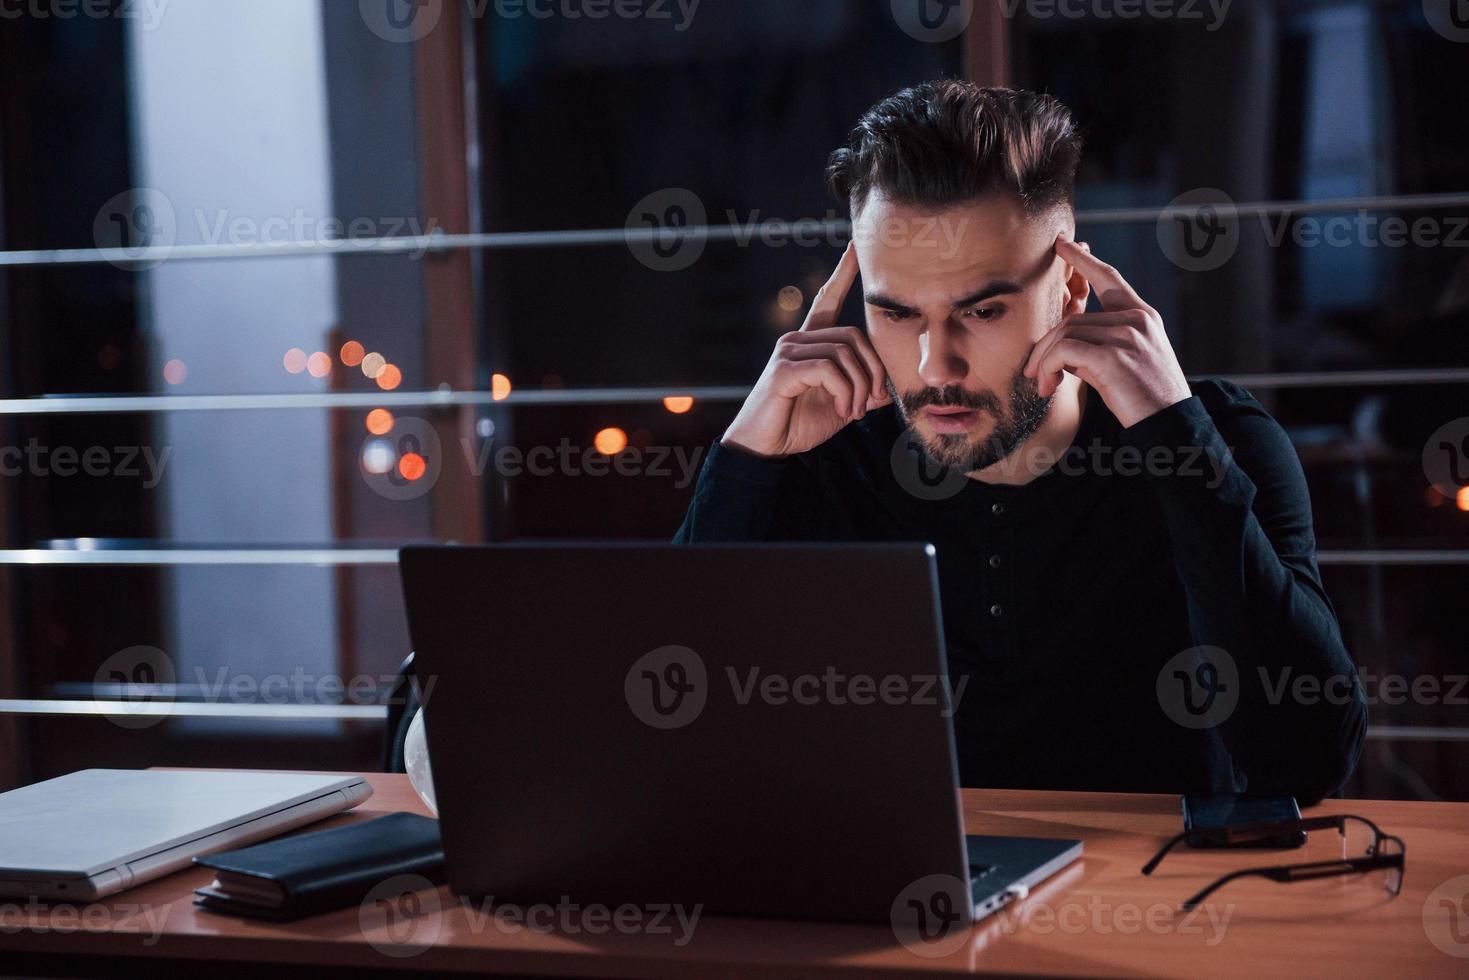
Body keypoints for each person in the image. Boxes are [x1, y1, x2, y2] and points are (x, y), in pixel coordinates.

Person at [675, 80, 1366, 803]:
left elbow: (1309, 760)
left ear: (1069, 290)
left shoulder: (1216, 443)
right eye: (898, 314)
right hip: (902, 907)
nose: (932, 368)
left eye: (981, 310)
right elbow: (668, 733)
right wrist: (746, 459)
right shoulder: (825, 457)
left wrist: (1179, 445)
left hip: (1157, 906)